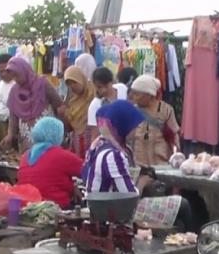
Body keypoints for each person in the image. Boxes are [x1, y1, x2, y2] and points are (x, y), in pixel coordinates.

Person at [83, 100, 195, 232]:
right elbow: (129, 197)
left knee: (171, 209)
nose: (137, 130)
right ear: (123, 124)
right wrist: (142, 182)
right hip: (113, 212)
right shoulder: (113, 155)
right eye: (134, 125)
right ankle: (190, 242)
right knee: (183, 204)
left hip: (106, 206)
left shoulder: (103, 144)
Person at [17, 117, 84, 209]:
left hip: (27, 207)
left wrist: (73, 185)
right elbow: (87, 171)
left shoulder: (25, 156)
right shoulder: (61, 155)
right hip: (54, 208)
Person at [2, 57, 63, 153]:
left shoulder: (42, 83)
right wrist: (10, 135)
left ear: (24, 71)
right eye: (13, 77)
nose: (16, 80)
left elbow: (58, 104)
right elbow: (13, 116)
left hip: (46, 136)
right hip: (26, 140)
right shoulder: (14, 91)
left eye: (17, 75)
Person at [128, 75, 180, 167]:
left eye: (137, 94)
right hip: (139, 164)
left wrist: (177, 154)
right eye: (133, 94)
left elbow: (174, 134)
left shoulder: (166, 110)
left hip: (161, 163)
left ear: (149, 95)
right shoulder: (132, 110)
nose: (134, 98)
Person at [61, 65, 96, 158]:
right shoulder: (71, 99)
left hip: (93, 140)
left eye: (74, 82)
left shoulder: (93, 95)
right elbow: (69, 126)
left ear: (81, 80)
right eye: (69, 83)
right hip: (77, 142)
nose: (72, 86)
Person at [87, 67, 128, 139]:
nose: (103, 90)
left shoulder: (123, 89)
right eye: (99, 87)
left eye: (106, 86)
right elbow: (95, 134)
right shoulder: (95, 105)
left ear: (112, 81)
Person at [0, 53, 15, 148]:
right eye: (0, 71)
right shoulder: (0, 84)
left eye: (6, 71)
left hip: (9, 125)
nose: (4, 74)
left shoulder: (17, 85)